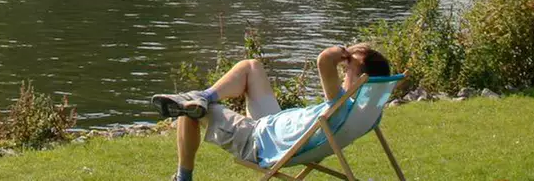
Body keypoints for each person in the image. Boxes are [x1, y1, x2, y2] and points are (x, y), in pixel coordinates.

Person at [151, 43, 392, 181]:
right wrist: (353, 58)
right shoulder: (368, 111)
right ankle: (205, 96)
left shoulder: (341, 104)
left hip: (257, 140)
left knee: (188, 107)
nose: (343, 69)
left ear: (361, 79)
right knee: (251, 66)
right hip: (273, 127)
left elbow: (324, 60)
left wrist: (342, 50)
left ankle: (182, 178)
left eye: (348, 67)